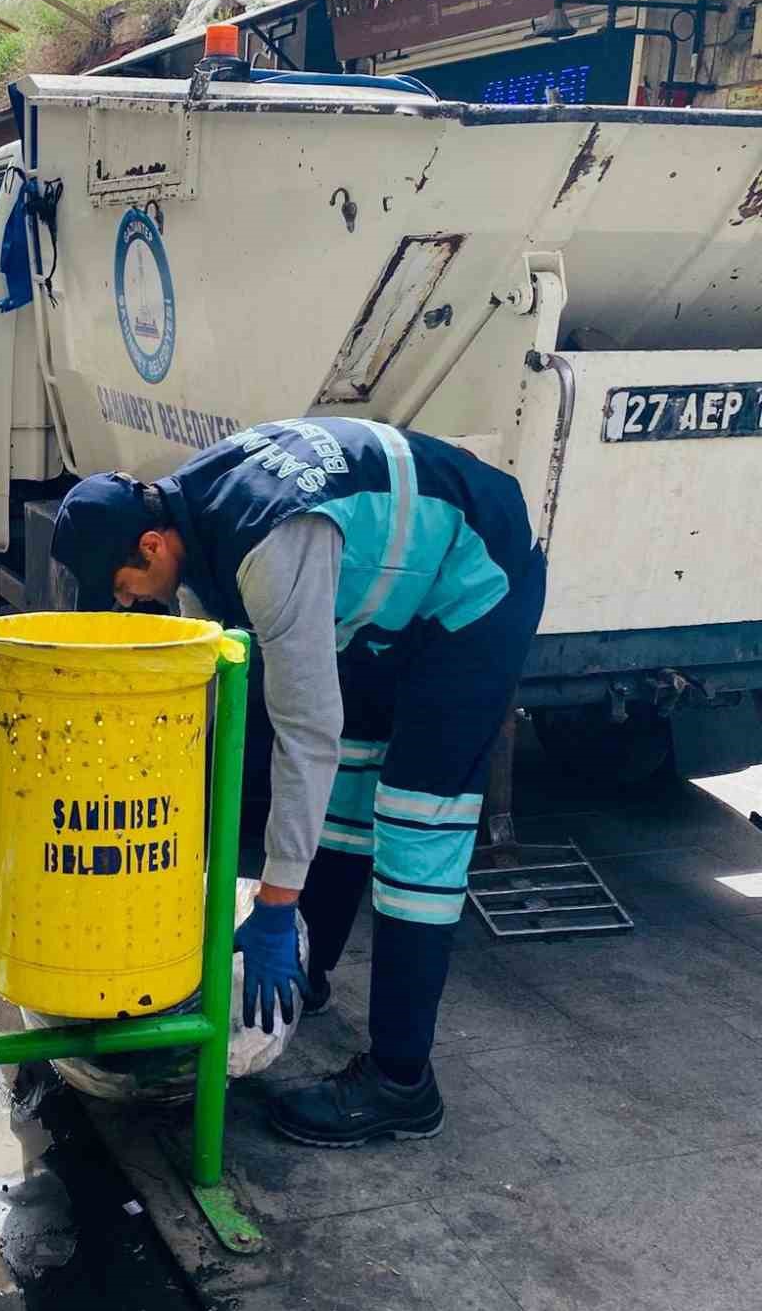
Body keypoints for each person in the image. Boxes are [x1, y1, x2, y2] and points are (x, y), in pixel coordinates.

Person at [49, 418, 546, 1149]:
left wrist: (275, 906)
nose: (124, 602)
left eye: (119, 587)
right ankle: (307, 980)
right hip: (394, 593)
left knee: (417, 822)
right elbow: (221, 705)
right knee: (348, 782)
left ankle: (403, 1082)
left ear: (150, 547)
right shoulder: (193, 507)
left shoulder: (270, 546)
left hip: (478, 581)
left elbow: (304, 734)